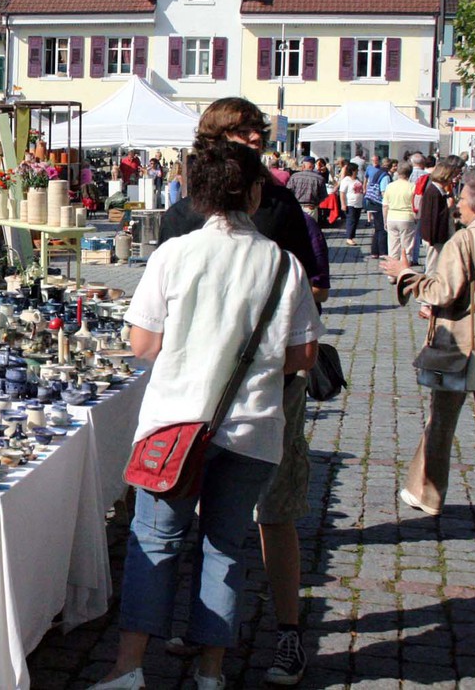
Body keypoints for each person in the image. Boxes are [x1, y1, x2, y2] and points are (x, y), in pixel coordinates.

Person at [94, 140, 322, 690]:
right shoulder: (282, 263)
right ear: (254, 192)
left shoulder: (175, 254)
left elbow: (143, 344)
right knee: (225, 548)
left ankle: (129, 667)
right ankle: (211, 671)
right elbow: (303, 356)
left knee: (155, 542)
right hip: (252, 426)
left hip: (176, 423)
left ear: (200, 194)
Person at [150, 98, 318, 686]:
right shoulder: (180, 216)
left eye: (258, 132)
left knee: (276, 512)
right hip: (197, 394)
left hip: (269, 390)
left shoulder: (278, 204)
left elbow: (312, 290)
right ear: (213, 140)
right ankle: (202, 627)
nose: (255, 140)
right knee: (202, 513)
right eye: (242, 132)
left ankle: (288, 632)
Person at [381, 171, 475, 537]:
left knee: (442, 419)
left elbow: (443, 291)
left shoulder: (465, 240)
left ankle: (427, 494)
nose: (457, 204)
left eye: (462, 199)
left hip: (466, 345)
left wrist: (405, 274)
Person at [419, 163, 459, 274]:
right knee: (433, 266)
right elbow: (432, 217)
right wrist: (448, 207)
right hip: (435, 237)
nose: (452, 179)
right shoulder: (434, 192)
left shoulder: (438, 190)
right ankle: (429, 284)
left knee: (437, 264)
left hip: (436, 236)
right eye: (451, 176)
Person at [383, 162, 418, 264]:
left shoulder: (390, 186)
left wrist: (385, 220)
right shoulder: (412, 186)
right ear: (410, 173)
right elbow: (416, 204)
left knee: (393, 247)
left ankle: (392, 270)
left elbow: (385, 206)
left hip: (392, 217)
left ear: (398, 172)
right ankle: (404, 268)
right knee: (407, 248)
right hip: (407, 217)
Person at [364, 158, 392, 259]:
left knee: (377, 229)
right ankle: (383, 251)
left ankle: (375, 251)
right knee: (382, 229)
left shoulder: (378, 173)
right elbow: (384, 192)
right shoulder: (385, 176)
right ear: (390, 167)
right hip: (379, 203)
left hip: (372, 202)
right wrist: (388, 203)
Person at [339, 163, 364, 246]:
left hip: (358, 204)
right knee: (351, 221)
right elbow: (342, 193)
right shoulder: (346, 180)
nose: (358, 171)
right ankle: (349, 238)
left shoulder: (357, 179)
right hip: (350, 203)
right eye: (356, 169)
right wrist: (343, 204)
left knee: (356, 221)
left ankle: (352, 237)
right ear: (352, 171)